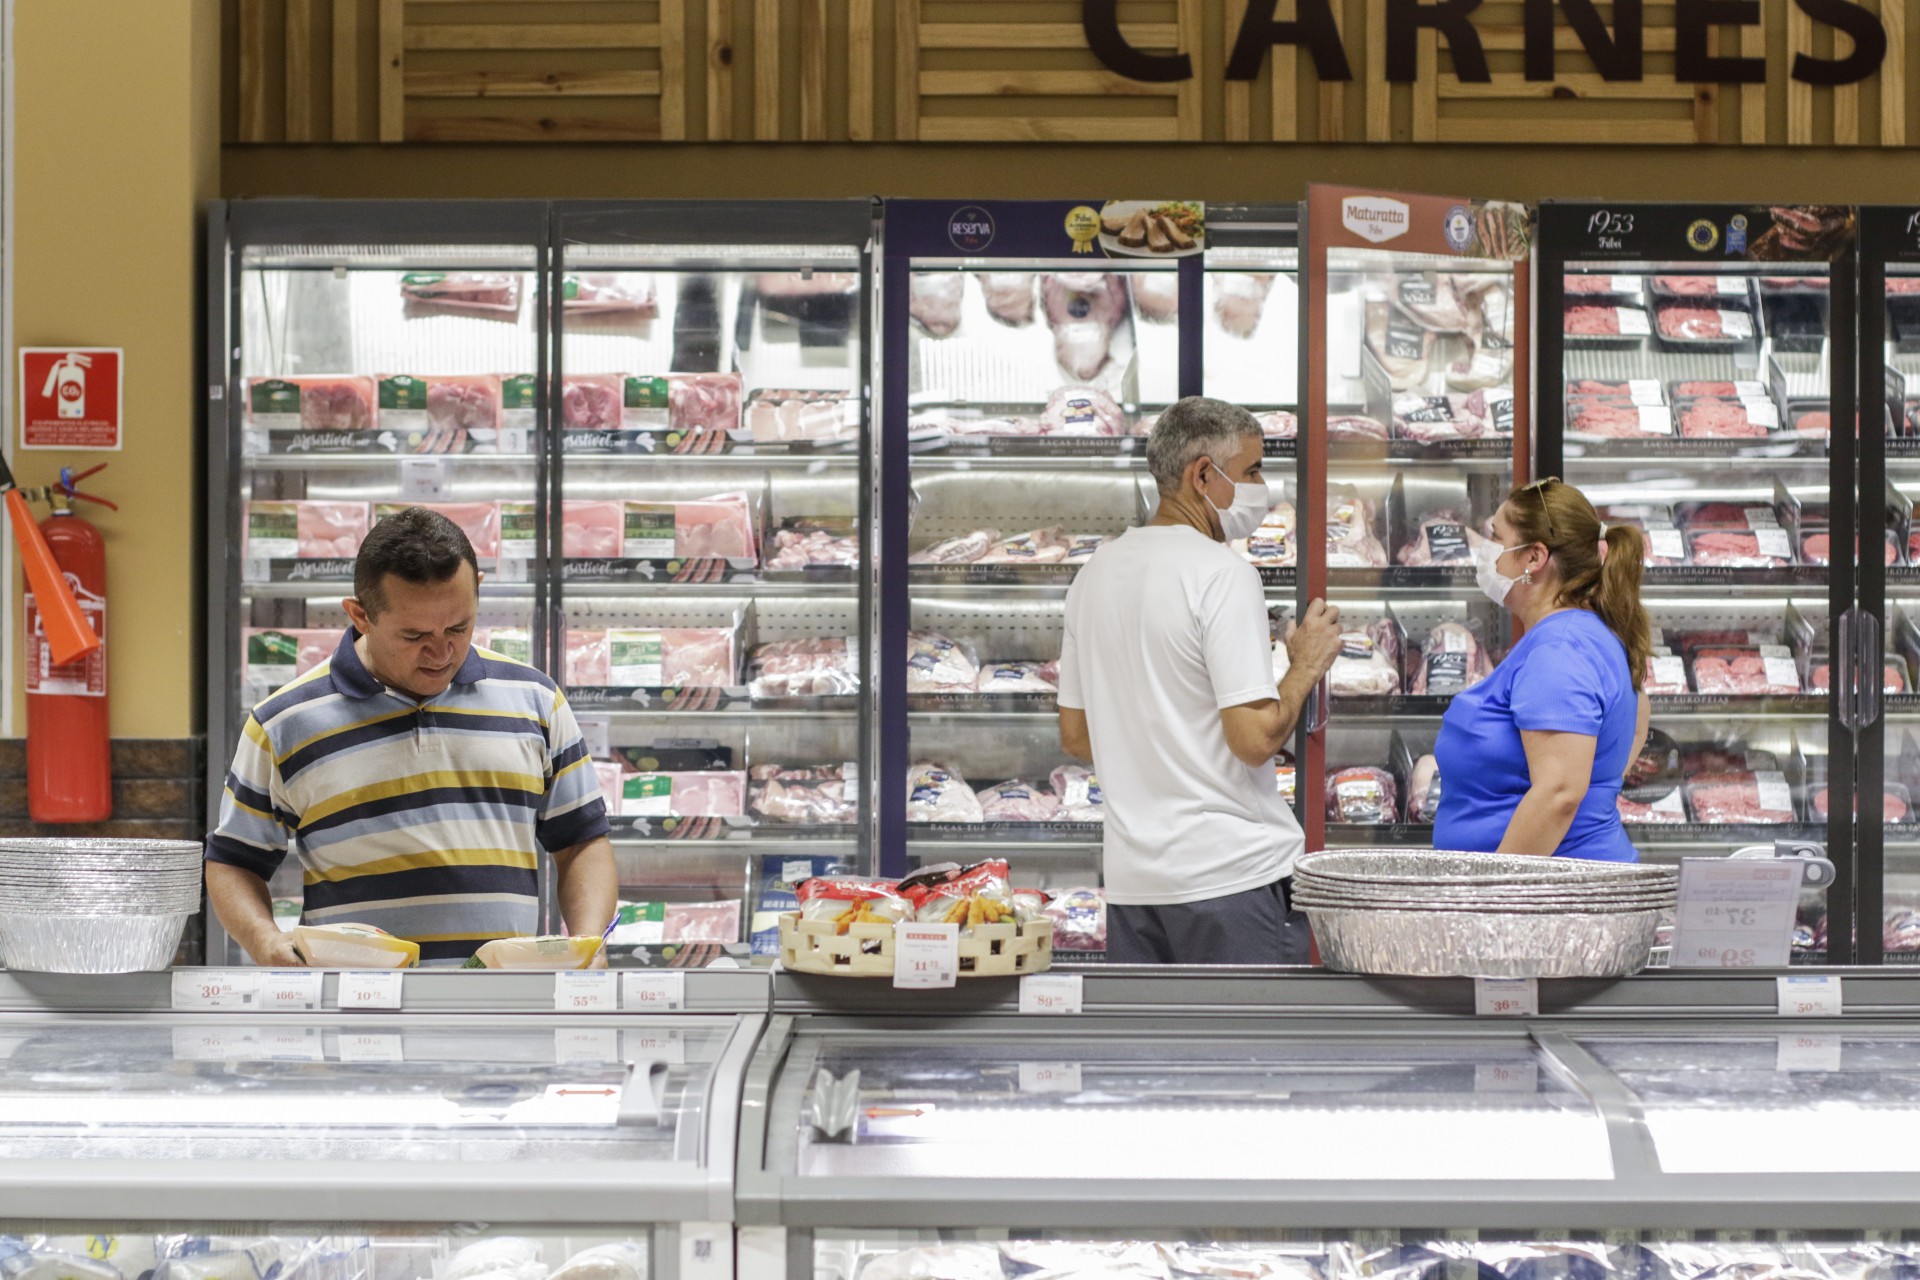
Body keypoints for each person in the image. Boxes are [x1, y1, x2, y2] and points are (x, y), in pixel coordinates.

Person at [206, 507, 618, 965]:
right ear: (360, 615)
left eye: (459, 627)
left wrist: (589, 943)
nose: (442, 652)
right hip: (354, 1008)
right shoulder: (283, 721)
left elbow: (581, 842)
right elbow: (233, 861)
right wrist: (264, 940)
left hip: (503, 1006)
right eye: (415, 634)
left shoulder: (536, 700)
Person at [1056, 396, 1345, 964]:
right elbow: (1255, 739)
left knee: (1151, 1052)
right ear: (1203, 475)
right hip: (1230, 880)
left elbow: (1077, 735)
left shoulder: (1093, 575)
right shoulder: (1223, 574)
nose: (1265, 487)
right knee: (1245, 1052)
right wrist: (1305, 665)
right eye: (1253, 471)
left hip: (1136, 885)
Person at [1433, 477, 1652, 861]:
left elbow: (1559, 793)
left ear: (1534, 557)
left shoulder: (1561, 648)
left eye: (1495, 538)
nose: (1486, 552)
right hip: (1557, 888)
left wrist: (1492, 896)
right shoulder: (1582, 634)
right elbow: (1633, 726)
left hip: (1551, 900)